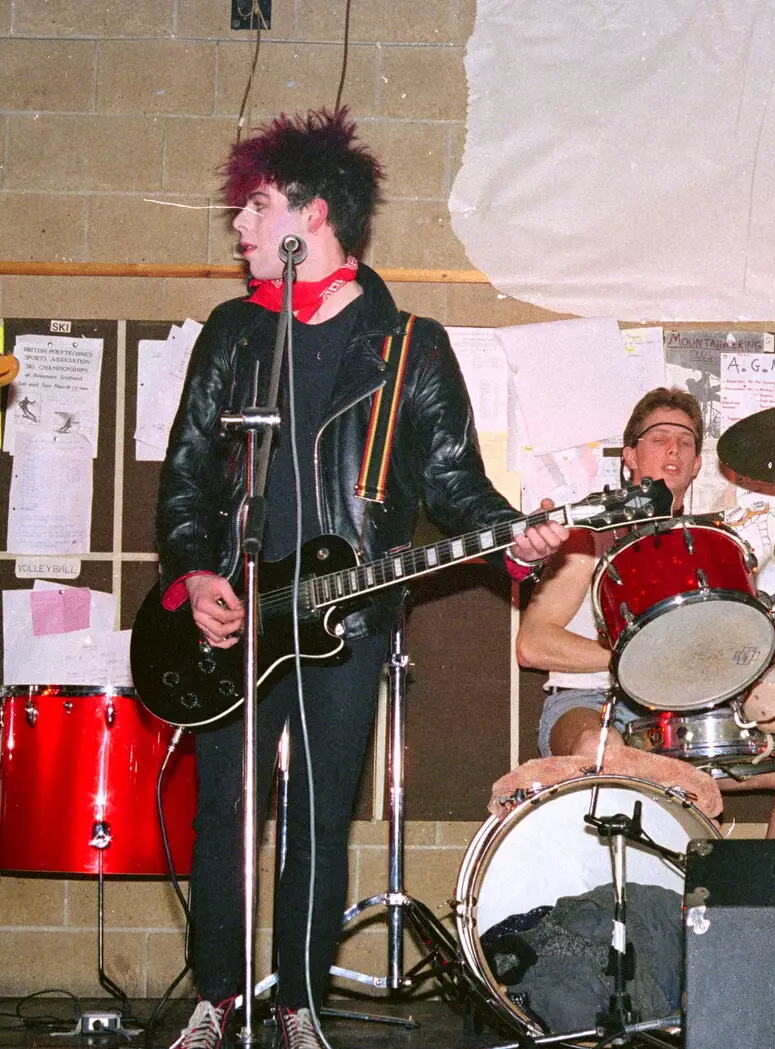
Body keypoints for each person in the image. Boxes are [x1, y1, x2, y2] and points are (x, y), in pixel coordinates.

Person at [156, 109, 568, 1049]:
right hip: (236, 609)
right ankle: (217, 999)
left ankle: (297, 1002)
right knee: (224, 808)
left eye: (256, 207)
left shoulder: (409, 345)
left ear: (311, 213)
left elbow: (457, 484)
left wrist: (519, 541)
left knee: (318, 812)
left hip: (348, 616)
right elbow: (184, 474)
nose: (242, 228)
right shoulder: (231, 332)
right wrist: (191, 570)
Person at [516, 387, 775, 839]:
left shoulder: (717, 544)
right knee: (599, 747)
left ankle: (764, 907)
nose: (674, 448)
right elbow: (532, 644)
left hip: (690, 719)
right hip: (594, 705)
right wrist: (641, 659)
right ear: (629, 455)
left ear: (698, 463)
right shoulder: (590, 537)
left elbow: (755, 642)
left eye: (686, 442)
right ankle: (677, 793)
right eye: (658, 438)